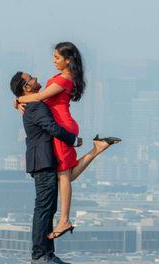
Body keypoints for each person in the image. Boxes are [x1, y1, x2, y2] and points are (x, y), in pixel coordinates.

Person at [14, 42, 121, 239]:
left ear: (68, 60)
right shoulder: (62, 77)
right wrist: (19, 101)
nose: (53, 61)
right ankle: (97, 149)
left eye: (57, 57)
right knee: (66, 175)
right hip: (63, 124)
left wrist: (19, 99)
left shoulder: (64, 78)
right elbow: (39, 98)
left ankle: (64, 219)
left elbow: (40, 96)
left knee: (64, 175)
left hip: (62, 127)